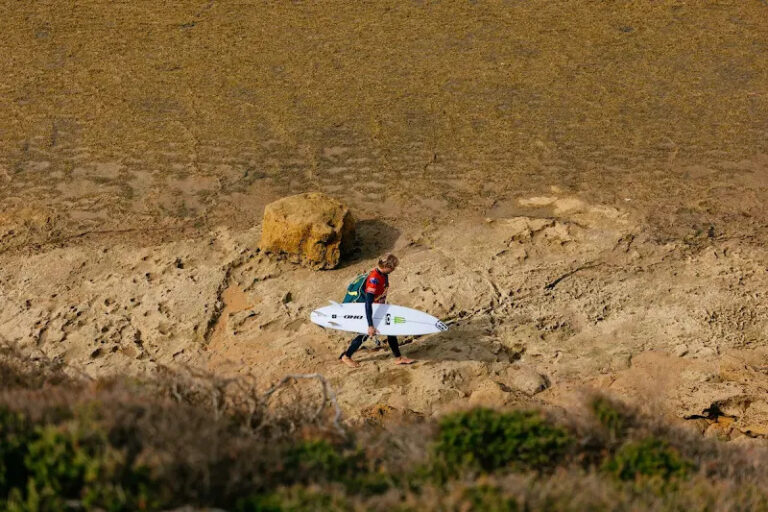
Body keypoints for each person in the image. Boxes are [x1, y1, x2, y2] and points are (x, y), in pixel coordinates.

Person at [339, 254, 415, 368]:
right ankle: (346, 356)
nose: (394, 270)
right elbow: (368, 304)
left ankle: (398, 358)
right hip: (368, 310)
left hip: (378, 307)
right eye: (393, 267)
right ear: (387, 266)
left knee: (390, 329)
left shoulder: (383, 274)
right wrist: (370, 325)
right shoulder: (373, 279)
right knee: (364, 334)